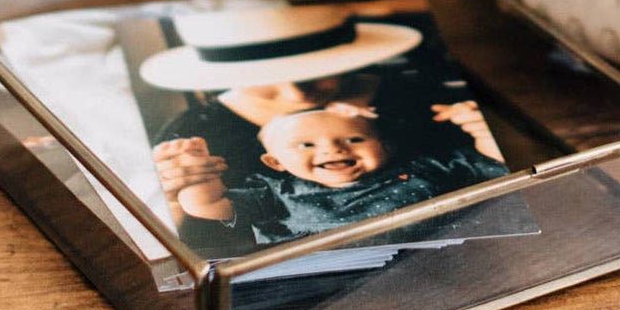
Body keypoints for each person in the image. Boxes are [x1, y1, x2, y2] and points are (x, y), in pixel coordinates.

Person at [161, 99, 509, 247]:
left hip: (436, 252)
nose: (333, 150)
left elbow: (495, 166)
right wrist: (197, 174)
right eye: (306, 146)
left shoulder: (423, 168)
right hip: (324, 274)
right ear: (275, 162)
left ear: (386, 147)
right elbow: (208, 207)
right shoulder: (276, 190)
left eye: (355, 138)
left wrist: (482, 132)